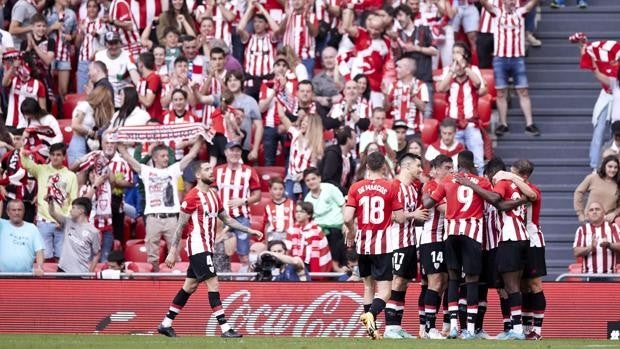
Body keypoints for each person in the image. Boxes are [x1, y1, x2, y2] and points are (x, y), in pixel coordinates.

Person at [157, 161, 262, 338]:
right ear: (198, 175)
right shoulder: (191, 197)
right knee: (213, 283)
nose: (211, 172)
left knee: (189, 286)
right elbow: (180, 226)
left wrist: (249, 230)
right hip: (198, 246)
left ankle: (166, 324)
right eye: (206, 170)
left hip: (207, 246)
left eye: (211, 169)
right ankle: (225, 329)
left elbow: (227, 220)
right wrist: (172, 250)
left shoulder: (214, 195)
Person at [423, 151, 513, 339]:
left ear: (458, 164)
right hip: (472, 234)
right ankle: (471, 329)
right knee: (472, 281)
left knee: (454, 280)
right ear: (472, 164)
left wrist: (426, 191)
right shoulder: (481, 182)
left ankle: (455, 326)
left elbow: (429, 203)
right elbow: (494, 199)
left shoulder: (448, 180)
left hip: (452, 234)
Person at [456, 156, 537, 340]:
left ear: (492, 174)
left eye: (487, 176)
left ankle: (514, 330)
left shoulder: (500, 184)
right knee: (505, 287)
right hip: (515, 239)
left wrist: (470, 184)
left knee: (509, 287)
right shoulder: (514, 186)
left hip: (507, 240)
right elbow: (530, 196)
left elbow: (497, 201)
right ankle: (509, 328)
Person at [344, 152, 405, 340]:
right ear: (384, 168)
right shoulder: (390, 187)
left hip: (363, 245)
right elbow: (401, 218)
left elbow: (347, 218)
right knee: (386, 290)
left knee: (368, 287)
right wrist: (393, 216)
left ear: (367, 167)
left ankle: (371, 330)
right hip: (383, 245)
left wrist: (351, 233)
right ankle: (371, 315)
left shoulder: (356, 187)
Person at [118, 138, 201, 271]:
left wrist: (200, 138)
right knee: (152, 257)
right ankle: (155, 284)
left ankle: (175, 280)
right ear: (155, 158)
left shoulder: (173, 169)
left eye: (167, 155)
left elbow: (191, 155)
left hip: (171, 219)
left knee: (175, 255)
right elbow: (128, 158)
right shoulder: (146, 170)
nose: (166, 158)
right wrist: (119, 143)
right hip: (153, 218)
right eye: (163, 156)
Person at [478, 0, 540, 137]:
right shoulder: (497, 12)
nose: (510, 1)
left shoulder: (520, 12)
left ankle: (529, 124)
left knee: (523, 91)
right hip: (500, 59)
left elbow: (532, 4)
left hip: (517, 58)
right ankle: (503, 124)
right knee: (501, 92)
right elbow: (484, 4)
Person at [384, 153, 428, 339]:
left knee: (404, 284)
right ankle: (389, 328)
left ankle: (397, 326)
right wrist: (413, 215)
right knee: (397, 281)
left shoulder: (413, 189)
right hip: (396, 242)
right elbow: (392, 216)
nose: (421, 169)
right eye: (418, 166)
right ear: (407, 166)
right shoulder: (394, 186)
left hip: (410, 242)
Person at [21, 142, 78, 261]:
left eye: (58, 155)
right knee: (44, 258)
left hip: (62, 223)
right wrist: (24, 154)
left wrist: (64, 219)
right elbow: (26, 164)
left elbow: (74, 200)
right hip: (43, 221)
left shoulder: (71, 176)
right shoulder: (41, 170)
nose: (55, 157)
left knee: (61, 258)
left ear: (64, 157)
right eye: (52, 154)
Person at [213, 141, 262, 271]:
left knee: (244, 255)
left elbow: (257, 195)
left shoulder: (249, 171)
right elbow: (210, 192)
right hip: (221, 219)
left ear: (241, 153)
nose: (235, 153)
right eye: (232, 150)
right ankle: (223, 280)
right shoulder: (217, 171)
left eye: (237, 151)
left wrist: (243, 201)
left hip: (241, 217)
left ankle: (243, 282)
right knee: (219, 253)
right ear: (225, 152)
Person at [436, 47, 485, 173]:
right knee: (454, 163)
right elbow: (440, 88)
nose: (455, 55)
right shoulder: (449, 70)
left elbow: (478, 84)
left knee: (478, 161)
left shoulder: (472, 69)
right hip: (453, 126)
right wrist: (452, 71)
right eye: (453, 52)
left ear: (465, 55)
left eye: (458, 52)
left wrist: (465, 66)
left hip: (471, 124)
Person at [420, 154, 452, 339]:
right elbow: (447, 210)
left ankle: (444, 327)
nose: (451, 171)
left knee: (445, 282)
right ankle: (429, 328)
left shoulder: (449, 185)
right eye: (447, 168)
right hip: (432, 239)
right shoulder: (432, 186)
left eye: (452, 167)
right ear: (437, 169)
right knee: (435, 282)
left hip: (444, 240)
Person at [277, 103, 324, 200]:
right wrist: (277, 100)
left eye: (306, 122)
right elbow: (282, 117)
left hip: (307, 179)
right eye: (303, 121)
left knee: (307, 204)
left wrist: (304, 174)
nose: (303, 123)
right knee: (288, 201)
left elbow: (313, 165)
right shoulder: (295, 134)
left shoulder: (316, 143)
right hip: (292, 177)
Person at [302, 167, 346, 271]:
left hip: (337, 226)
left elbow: (343, 205)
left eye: (313, 179)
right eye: (308, 180)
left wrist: (346, 223)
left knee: (335, 235)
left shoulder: (330, 188)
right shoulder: (307, 199)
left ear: (319, 178)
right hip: (319, 229)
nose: (311, 182)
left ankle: (336, 267)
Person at [50, 197, 100, 273]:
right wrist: (50, 202)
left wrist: (90, 273)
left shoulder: (93, 231)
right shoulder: (67, 222)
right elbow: (52, 213)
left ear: (81, 211)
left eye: (73, 208)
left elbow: (97, 254)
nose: (70, 211)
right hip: (62, 269)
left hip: (80, 273)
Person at [68, 86, 114, 166]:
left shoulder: (94, 110)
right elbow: (75, 125)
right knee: (79, 170)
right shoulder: (84, 105)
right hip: (78, 142)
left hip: (89, 144)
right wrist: (90, 132)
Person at [386, 56, 430, 138]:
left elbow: (423, 108)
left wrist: (413, 96)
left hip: (413, 133)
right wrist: (385, 96)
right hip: (395, 132)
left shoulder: (421, 85)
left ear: (407, 71)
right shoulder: (393, 85)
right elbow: (386, 109)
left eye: (399, 67)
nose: (396, 69)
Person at [94, 32, 140, 108]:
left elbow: (135, 76)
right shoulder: (99, 56)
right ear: (106, 44)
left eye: (116, 43)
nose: (114, 46)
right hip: (105, 95)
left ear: (120, 43)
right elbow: (93, 77)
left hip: (121, 96)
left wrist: (138, 85)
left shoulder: (127, 55)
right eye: (111, 44)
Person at [573, 201, 620, 275]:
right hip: (588, 276)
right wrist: (590, 248)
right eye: (591, 210)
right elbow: (576, 252)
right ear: (588, 214)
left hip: (610, 276)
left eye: (597, 209)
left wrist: (609, 245)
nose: (594, 212)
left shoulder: (613, 227)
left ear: (604, 213)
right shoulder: (582, 230)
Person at [286, 201, 332, 274]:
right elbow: (287, 251)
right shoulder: (291, 230)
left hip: (311, 265)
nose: (298, 213)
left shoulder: (317, 231)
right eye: (297, 211)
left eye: (301, 211)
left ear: (309, 215)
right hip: (295, 265)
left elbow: (323, 252)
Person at [0, 200, 44, 274]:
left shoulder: (32, 228)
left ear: (24, 212)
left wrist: (39, 267)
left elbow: (39, 250)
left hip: (26, 276)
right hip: (3, 275)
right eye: (13, 210)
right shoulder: (1, 225)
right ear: (7, 212)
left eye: (19, 210)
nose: (17, 213)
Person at [277, 0, 319, 78]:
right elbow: (279, 33)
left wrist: (307, 20)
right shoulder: (285, 16)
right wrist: (286, 17)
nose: (296, 2)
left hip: (306, 58)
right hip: (288, 58)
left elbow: (314, 34)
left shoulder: (312, 16)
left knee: (305, 85)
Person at [574, 155, 620, 224]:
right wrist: (580, 214)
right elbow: (578, 192)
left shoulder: (618, 184)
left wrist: (614, 213)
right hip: (590, 220)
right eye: (610, 166)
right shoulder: (593, 178)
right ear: (604, 166)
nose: (613, 170)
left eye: (615, 167)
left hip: (608, 222)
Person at [319, 126, 356, 195]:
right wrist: (346, 191)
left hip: (340, 194)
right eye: (354, 138)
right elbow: (327, 179)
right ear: (348, 139)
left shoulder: (349, 157)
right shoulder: (332, 155)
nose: (356, 141)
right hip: (329, 194)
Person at [263, 177, 295, 242]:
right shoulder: (268, 206)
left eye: (281, 189)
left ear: (284, 190)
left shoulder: (291, 203)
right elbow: (267, 224)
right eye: (275, 189)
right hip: (273, 235)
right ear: (270, 190)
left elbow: (296, 220)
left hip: (288, 235)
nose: (278, 191)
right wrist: (266, 241)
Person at [136, 52, 163, 123]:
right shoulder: (142, 79)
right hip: (142, 118)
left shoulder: (154, 78)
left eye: (138, 62)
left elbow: (148, 102)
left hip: (153, 120)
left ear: (141, 63)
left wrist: (134, 93)